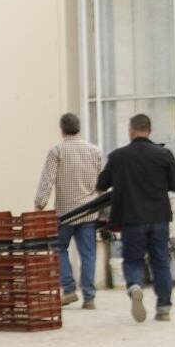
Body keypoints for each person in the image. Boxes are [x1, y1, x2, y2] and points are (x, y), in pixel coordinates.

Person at [97, 113, 175, 323]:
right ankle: (163, 307)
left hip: (132, 218)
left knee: (133, 260)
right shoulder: (164, 154)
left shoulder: (118, 156)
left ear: (131, 130)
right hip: (159, 218)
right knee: (160, 262)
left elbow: (101, 185)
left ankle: (135, 285)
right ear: (150, 131)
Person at [35, 111, 103, 309]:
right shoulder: (95, 151)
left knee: (58, 248)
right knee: (88, 254)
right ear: (78, 128)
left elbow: (47, 179)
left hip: (65, 213)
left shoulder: (57, 151)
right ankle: (89, 297)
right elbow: (101, 183)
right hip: (89, 212)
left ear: (62, 130)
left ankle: (69, 289)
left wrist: (40, 203)